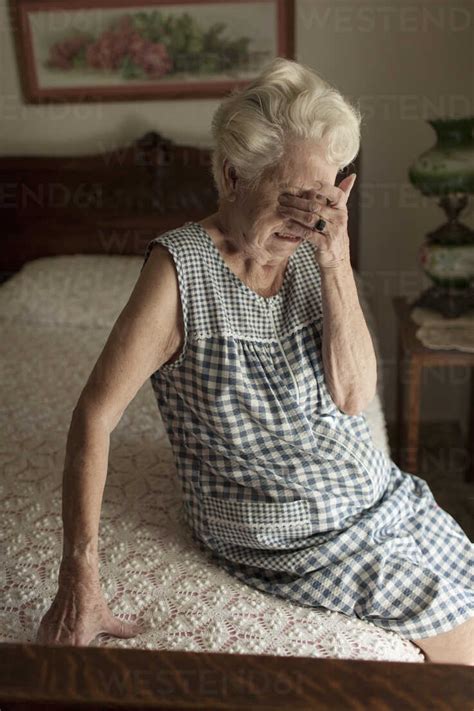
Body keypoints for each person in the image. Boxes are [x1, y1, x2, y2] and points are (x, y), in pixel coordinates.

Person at [36, 57, 474, 664]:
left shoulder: (319, 248)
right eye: (291, 197)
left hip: (378, 495)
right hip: (292, 535)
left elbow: (353, 398)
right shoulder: (180, 271)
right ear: (231, 174)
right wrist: (78, 576)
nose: (308, 218)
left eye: (321, 197)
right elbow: (94, 417)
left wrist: (335, 260)